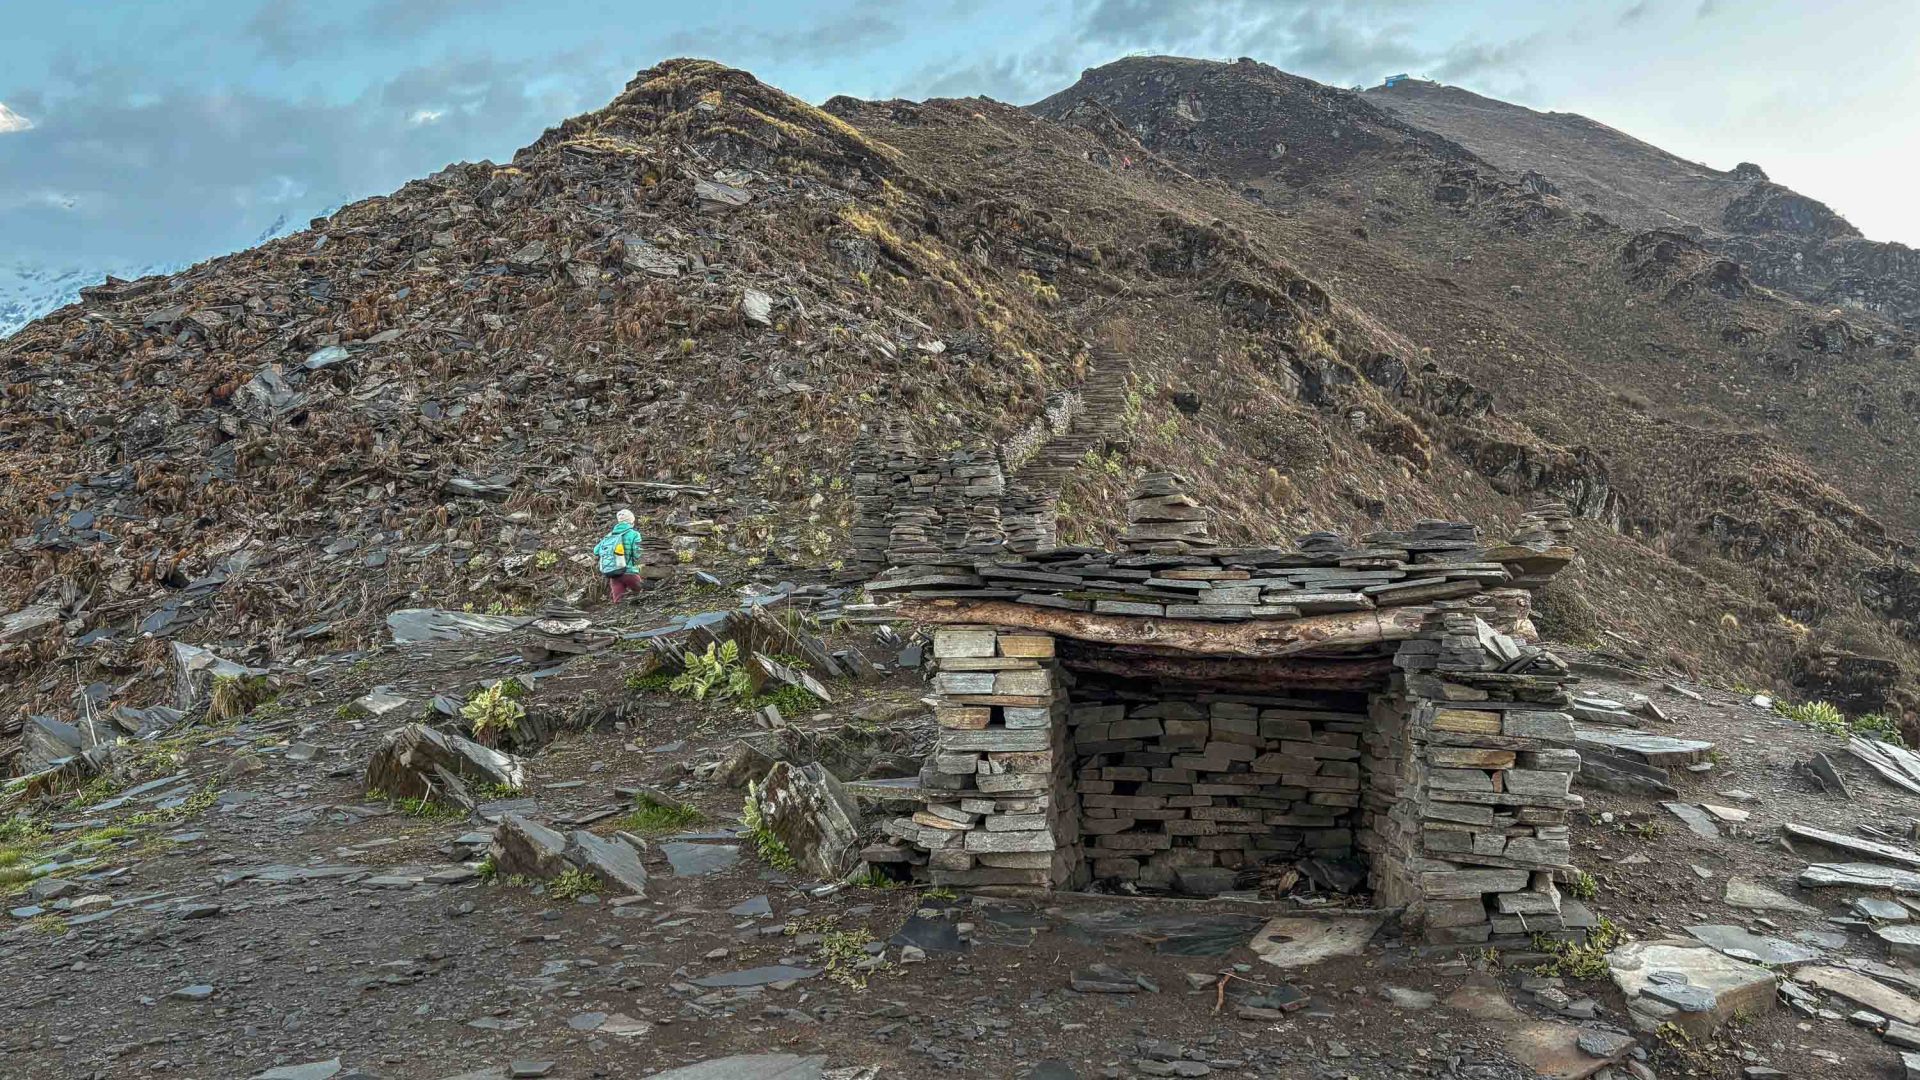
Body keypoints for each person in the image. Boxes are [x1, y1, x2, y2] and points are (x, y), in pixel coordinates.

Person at [595, 508, 645, 602]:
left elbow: (596, 551)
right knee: (643, 594)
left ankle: (619, 615)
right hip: (629, 571)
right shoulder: (634, 534)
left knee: (618, 602)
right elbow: (638, 552)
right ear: (631, 521)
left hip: (614, 573)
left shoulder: (609, 535)